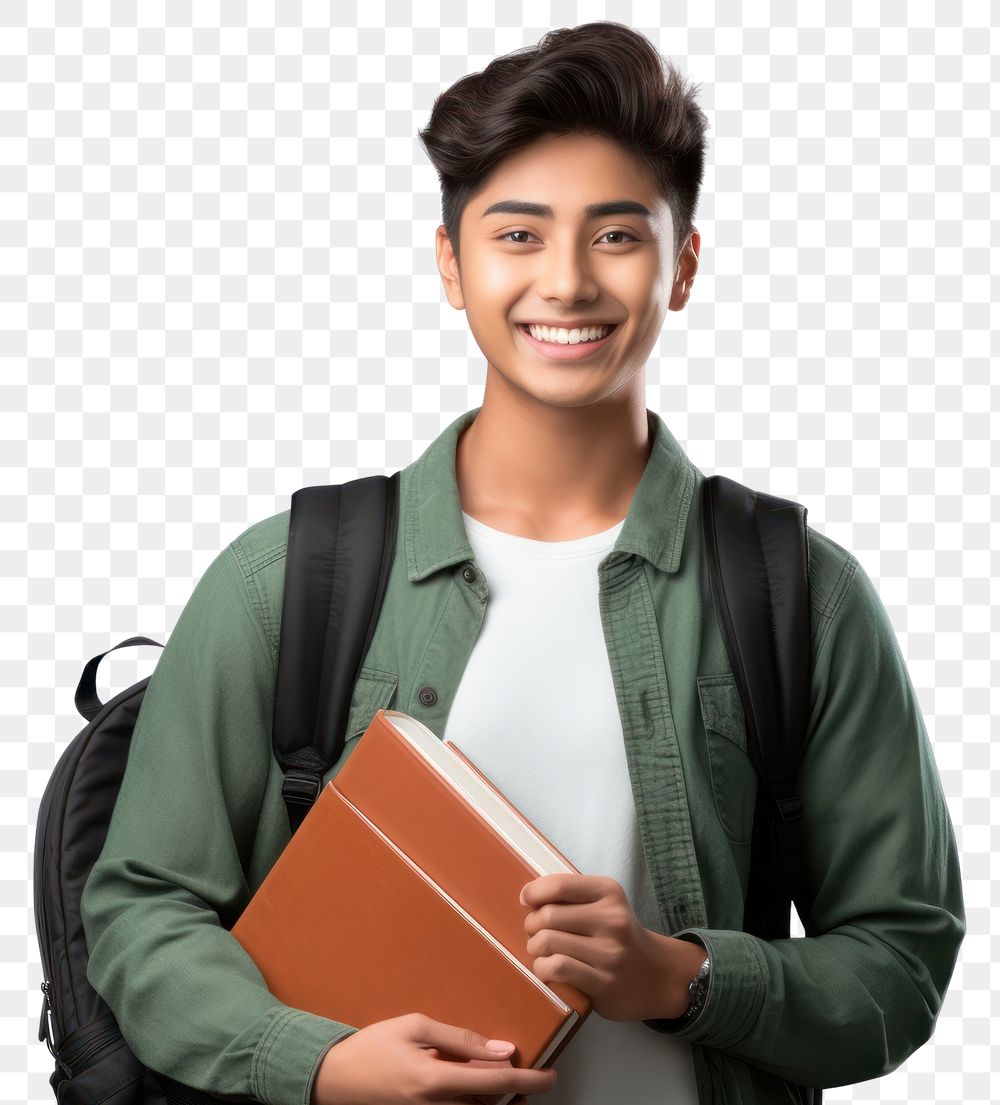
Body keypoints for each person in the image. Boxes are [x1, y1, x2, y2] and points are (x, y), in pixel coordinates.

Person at [81, 21, 966, 1105]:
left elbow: (902, 957)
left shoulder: (797, 596)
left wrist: (682, 977)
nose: (565, 282)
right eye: (516, 234)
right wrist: (317, 1064)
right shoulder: (287, 580)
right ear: (452, 266)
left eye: (614, 236)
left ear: (680, 267)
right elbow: (140, 910)